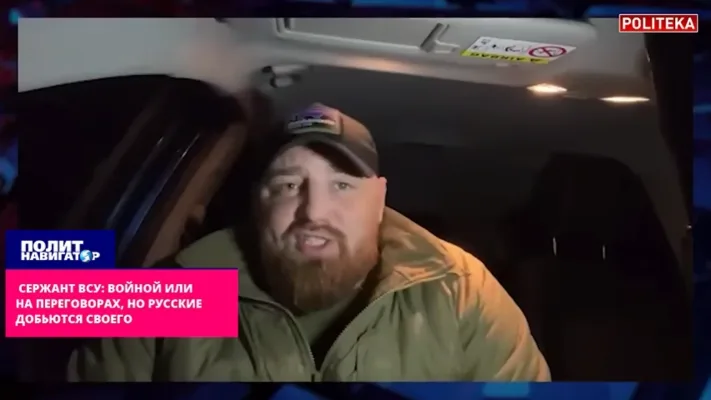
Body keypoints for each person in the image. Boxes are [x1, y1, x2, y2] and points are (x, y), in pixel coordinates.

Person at [68, 103, 550, 382]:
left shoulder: (461, 291)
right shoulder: (169, 294)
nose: (314, 211)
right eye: (288, 185)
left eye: (342, 185)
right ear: (259, 201)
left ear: (379, 200)